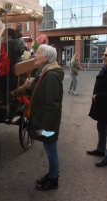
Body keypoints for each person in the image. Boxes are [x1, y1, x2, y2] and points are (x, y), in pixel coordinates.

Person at [26, 45, 64, 190]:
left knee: (51, 148)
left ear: (46, 58)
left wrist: (44, 128)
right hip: (44, 120)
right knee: (49, 148)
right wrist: (31, 85)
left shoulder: (51, 75)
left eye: (38, 53)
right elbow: (42, 92)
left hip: (47, 123)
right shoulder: (44, 71)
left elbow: (52, 105)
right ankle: (52, 174)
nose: (34, 55)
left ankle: (53, 179)